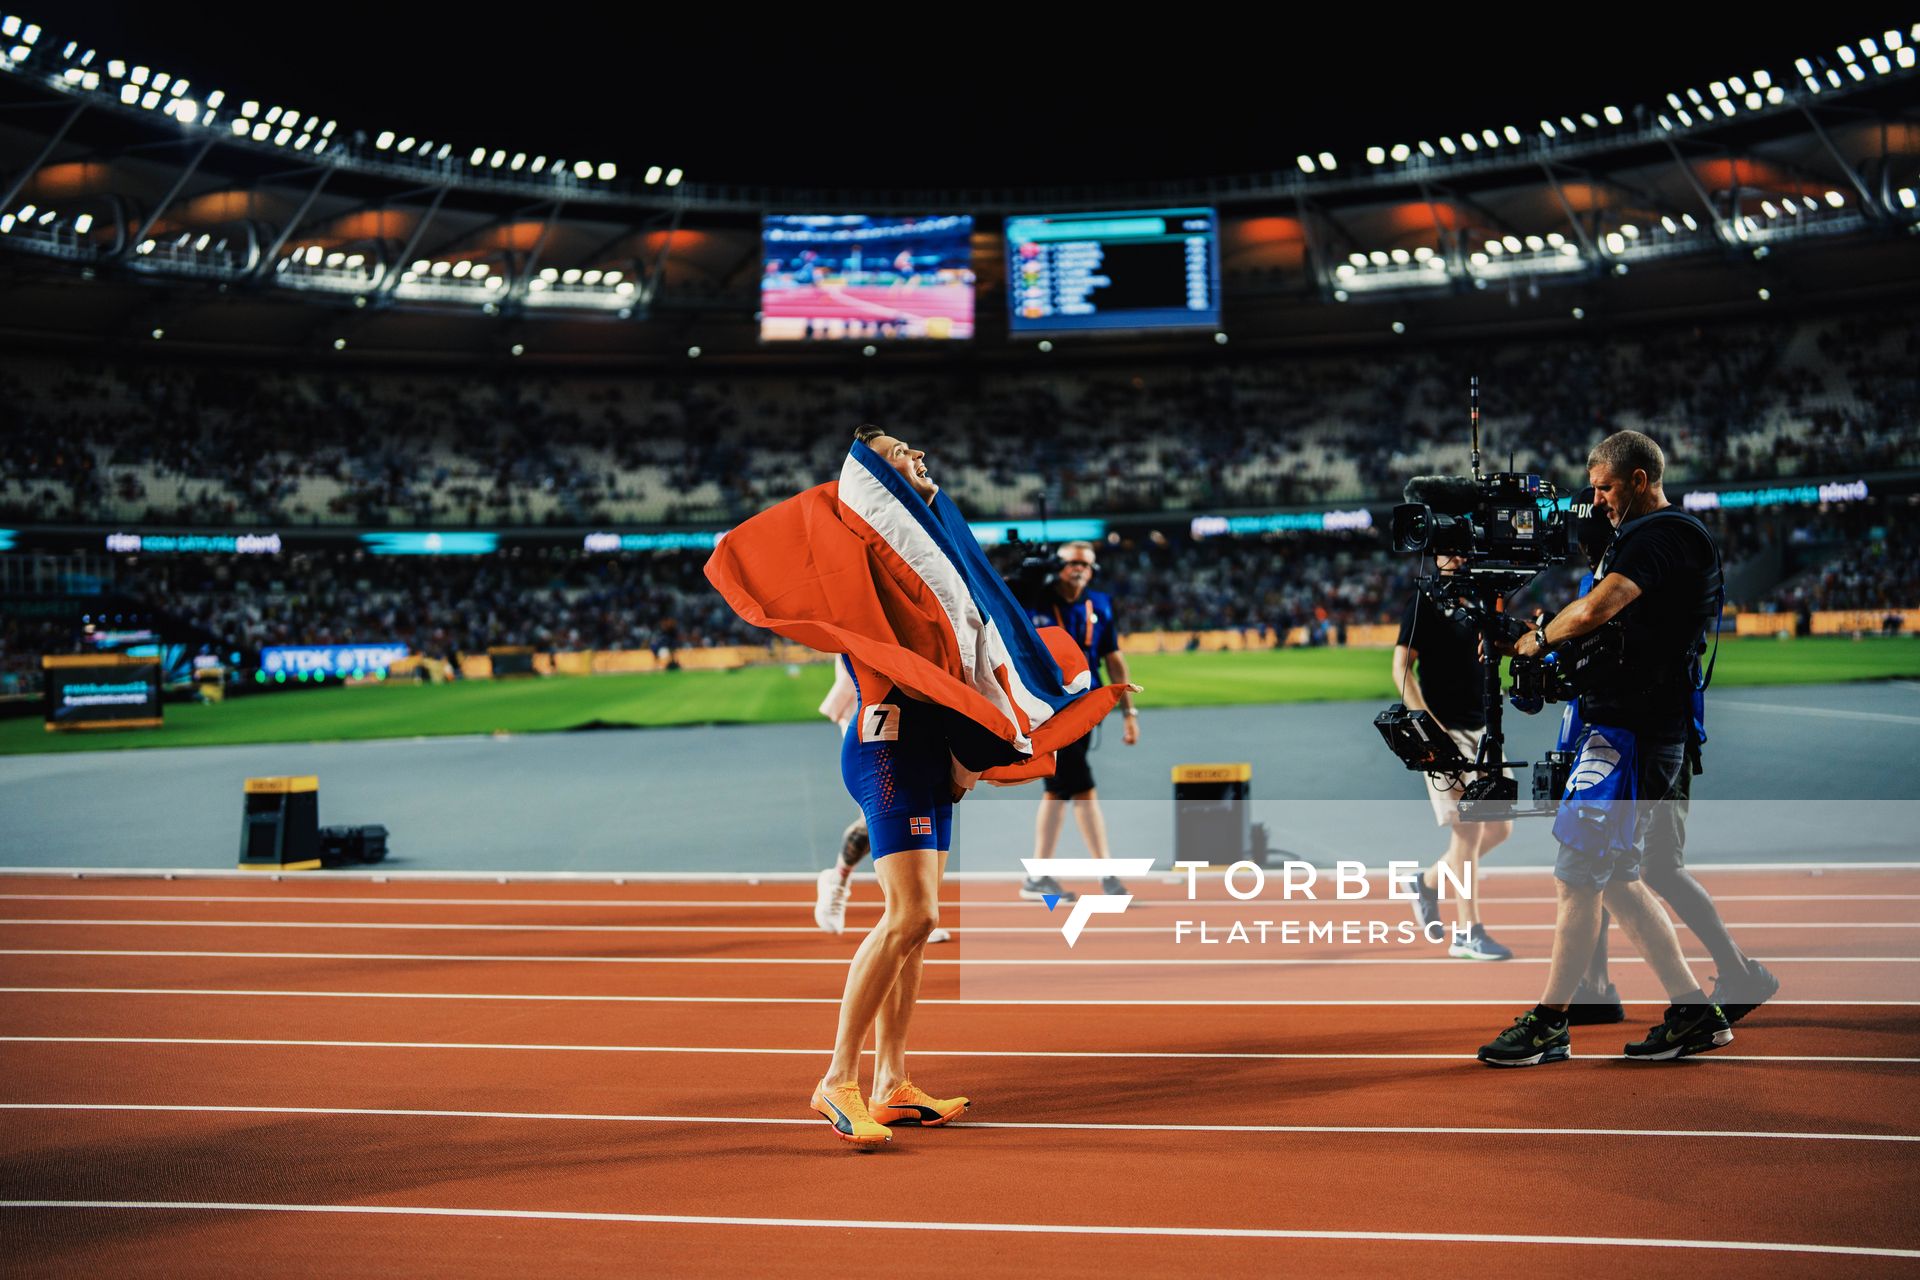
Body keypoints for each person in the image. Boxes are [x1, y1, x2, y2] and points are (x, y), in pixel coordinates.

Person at [706, 426, 1127, 1146]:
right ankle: (836, 1079)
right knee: (910, 915)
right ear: (876, 473)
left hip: (929, 749)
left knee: (922, 925)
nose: (921, 461)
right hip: (888, 746)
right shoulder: (870, 544)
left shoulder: (939, 556)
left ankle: (891, 1081)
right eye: (904, 454)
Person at [1478, 431, 1775, 1067]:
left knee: (1582, 870)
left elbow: (1595, 609)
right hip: (1628, 728)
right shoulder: (1638, 533)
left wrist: (1535, 640)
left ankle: (1551, 1021)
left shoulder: (1663, 534)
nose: (1598, 500)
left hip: (1633, 733)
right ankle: (1693, 1012)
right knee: (1614, 877)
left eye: (1607, 488)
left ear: (1639, 480)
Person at [1391, 553, 1515, 960]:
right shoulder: (1424, 601)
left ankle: (1426, 882)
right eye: (1448, 549)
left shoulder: (1482, 597)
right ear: (1435, 554)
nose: (1457, 557)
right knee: (1469, 829)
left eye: (1463, 547)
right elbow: (1401, 670)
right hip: (1446, 732)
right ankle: (1468, 932)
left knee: (1500, 831)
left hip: (1483, 730)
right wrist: (1428, 730)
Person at [1017, 540, 1139, 903]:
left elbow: (1113, 658)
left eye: (1086, 564)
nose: (1079, 569)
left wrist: (1128, 712)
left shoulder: (1099, 604)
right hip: (1051, 708)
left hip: (1089, 707)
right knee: (1082, 785)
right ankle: (1107, 874)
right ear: (1059, 564)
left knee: (1057, 790)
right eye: (1072, 562)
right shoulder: (1033, 598)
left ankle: (1037, 875)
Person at [811, 657, 949, 945]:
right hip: (868, 707)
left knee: (919, 814)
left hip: (914, 707)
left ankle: (913, 908)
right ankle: (849, 884)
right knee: (882, 819)